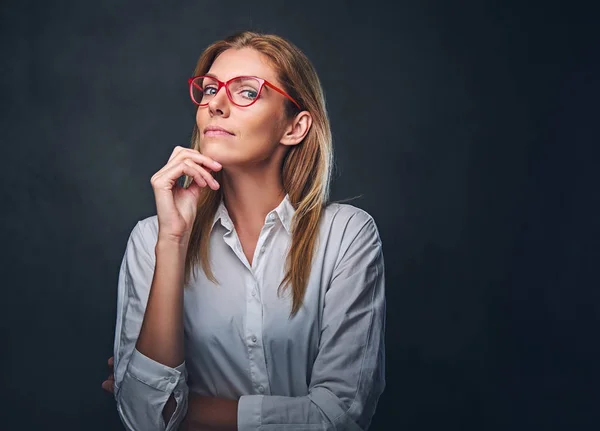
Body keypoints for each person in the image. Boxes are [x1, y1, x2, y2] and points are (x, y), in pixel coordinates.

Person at [102, 30, 386, 431]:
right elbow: (143, 421)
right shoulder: (152, 239)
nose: (215, 105)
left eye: (246, 92)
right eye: (210, 89)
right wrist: (173, 240)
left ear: (295, 127)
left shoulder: (346, 236)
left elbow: (337, 417)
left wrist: (183, 411)